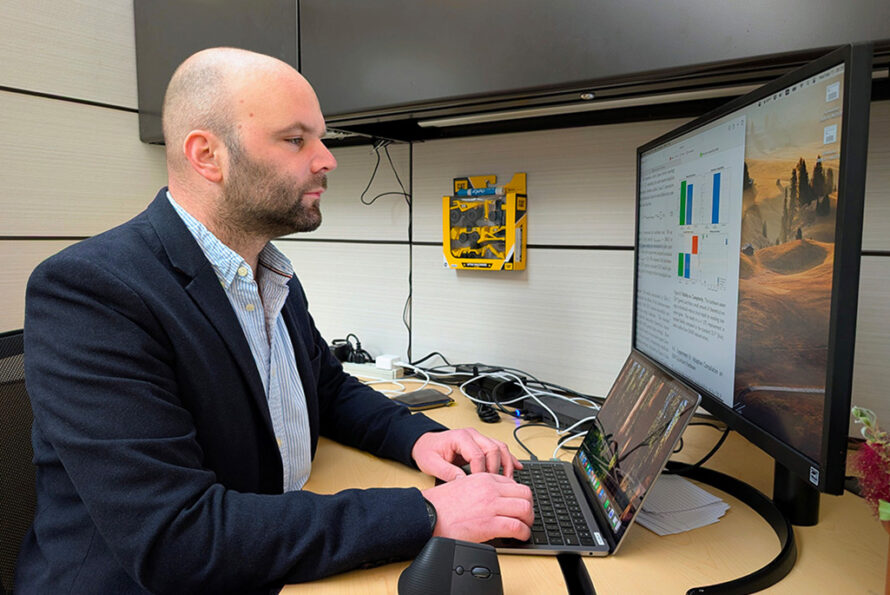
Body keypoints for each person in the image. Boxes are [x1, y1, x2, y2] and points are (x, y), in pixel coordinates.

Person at [16, 47, 533, 594]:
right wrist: (426, 512)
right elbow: (178, 539)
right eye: (296, 139)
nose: (327, 159)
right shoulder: (92, 292)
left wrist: (421, 440)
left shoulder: (266, 270)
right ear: (207, 155)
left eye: (321, 137)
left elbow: (327, 390)